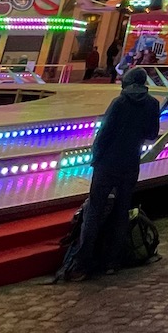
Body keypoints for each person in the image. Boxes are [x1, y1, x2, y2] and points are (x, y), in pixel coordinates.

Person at [57, 67, 161, 280]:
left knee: (94, 211)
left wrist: (96, 157)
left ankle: (82, 263)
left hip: (107, 164)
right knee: (122, 211)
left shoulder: (119, 103)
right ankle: (112, 261)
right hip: (131, 163)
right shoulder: (152, 104)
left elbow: (104, 133)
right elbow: (151, 134)